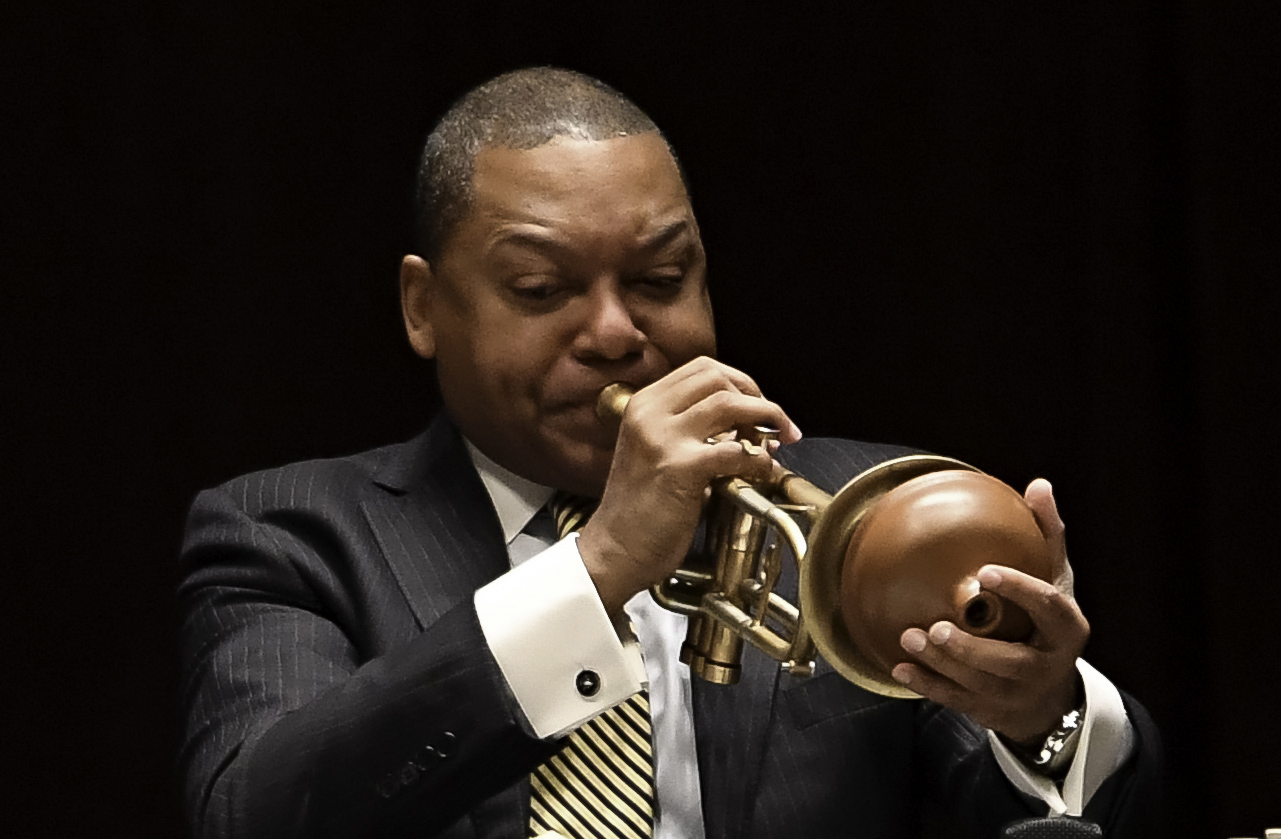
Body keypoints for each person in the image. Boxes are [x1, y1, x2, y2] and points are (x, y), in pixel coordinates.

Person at [178, 68, 1161, 839]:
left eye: (660, 275)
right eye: (540, 286)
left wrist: (1041, 711)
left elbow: (1078, 815)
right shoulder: (287, 531)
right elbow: (251, 815)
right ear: (424, 307)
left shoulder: (866, 509)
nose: (615, 332)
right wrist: (598, 567)